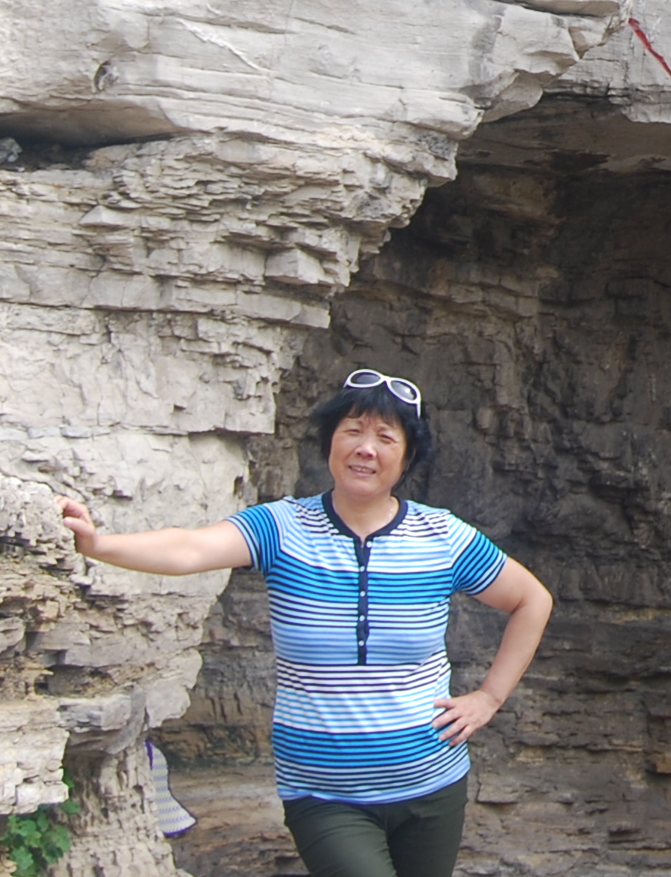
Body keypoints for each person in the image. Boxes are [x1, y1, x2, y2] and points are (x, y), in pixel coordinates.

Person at [60, 369, 552, 877]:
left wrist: (489, 697)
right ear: (330, 442)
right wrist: (101, 545)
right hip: (324, 795)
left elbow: (532, 600)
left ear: (407, 458)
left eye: (386, 437)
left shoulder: (442, 537)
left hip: (433, 784)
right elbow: (190, 547)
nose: (366, 448)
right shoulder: (281, 527)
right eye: (353, 431)